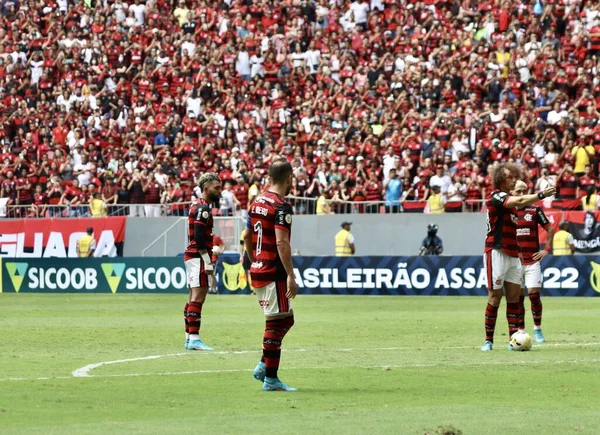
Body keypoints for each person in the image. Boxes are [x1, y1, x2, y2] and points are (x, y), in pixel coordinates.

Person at [481, 162, 556, 352]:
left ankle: (513, 339)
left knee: (515, 297)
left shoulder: (515, 203)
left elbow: (521, 203)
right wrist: (540, 195)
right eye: (510, 178)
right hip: (496, 250)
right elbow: (519, 201)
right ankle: (488, 341)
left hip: (514, 253)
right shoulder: (496, 195)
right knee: (495, 296)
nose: (513, 180)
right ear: (500, 180)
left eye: (515, 177)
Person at [244, 160, 297, 392]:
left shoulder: (257, 202)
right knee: (275, 322)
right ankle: (270, 377)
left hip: (258, 268)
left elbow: (246, 236)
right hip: (273, 270)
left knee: (285, 319)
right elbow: (281, 242)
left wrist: (254, 259)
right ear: (289, 179)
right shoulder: (281, 207)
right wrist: (291, 275)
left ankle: (265, 364)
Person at [183, 173, 222, 351]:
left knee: (193, 296)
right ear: (206, 189)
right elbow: (198, 235)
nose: (220, 191)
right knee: (198, 296)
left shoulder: (197, 205)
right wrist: (207, 260)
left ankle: (188, 337)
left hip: (193, 256)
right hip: (197, 256)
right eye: (217, 188)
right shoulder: (203, 208)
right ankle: (194, 338)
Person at [512, 180, 555, 343]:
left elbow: (550, 229)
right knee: (518, 299)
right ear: (512, 192)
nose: (522, 194)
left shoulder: (535, 210)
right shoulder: (508, 211)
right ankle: (521, 330)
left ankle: (537, 328)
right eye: (518, 191)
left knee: (534, 296)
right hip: (514, 263)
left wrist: (546, 250)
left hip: (532, 261)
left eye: (524, 191)